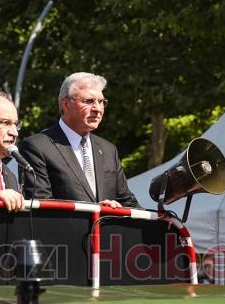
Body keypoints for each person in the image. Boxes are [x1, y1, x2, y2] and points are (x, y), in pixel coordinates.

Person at [19, 72, 138, 207]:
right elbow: (41, 206)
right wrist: (94, 211)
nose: (98, 109)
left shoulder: (108, 150)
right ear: (65, 104)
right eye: (89, 101)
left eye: (101, 102)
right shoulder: (37, 147)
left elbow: (128, 202)